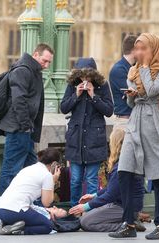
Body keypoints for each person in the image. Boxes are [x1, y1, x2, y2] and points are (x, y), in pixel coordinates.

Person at [108, 33, 159, 240]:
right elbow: (135, 101)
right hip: (135, 122)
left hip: (155, 125)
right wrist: (131, 96)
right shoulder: (134, 70)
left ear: (153, 50)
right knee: (124, 171)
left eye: (143, 49)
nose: (139, 53)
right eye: (137, 49)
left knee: (158, 176)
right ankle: (128, 222)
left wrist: (146, 67)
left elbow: (151, 90)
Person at [0, 43, 54, 195]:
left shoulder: (34, 71)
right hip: (18, 129)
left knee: (32, 170)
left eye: (49, 62)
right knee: (10, 171)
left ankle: (31, 205)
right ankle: (3, 208)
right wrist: (25, 126)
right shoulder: (22, 70)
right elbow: (18, 100)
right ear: (35, 55)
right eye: (44, 60)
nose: (46, 65)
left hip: (26, 130)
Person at [68, 127, 145, 233]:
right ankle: (128, 222)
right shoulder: (125, 161)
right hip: (122, 204)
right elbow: (113, 188)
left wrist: (85, 207)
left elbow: (110, 195)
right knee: (86, 217)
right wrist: (94, 195)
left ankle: (128, 225)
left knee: (86, 222)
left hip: (125, 207)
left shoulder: (122, 166)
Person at [60, 58, 114, 206]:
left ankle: (91, 209)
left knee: (91, 179)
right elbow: (64, 107)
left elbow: (109, 110)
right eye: (81, 76)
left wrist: (93, 96)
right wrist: (76, 95)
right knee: (75, 179)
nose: (84, 79)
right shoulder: (72, 86)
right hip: (76, 140)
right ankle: (74, 209)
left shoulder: (102, 86)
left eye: (87, 76)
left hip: (94, 140)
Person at [0, 148, 62, 235]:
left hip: (1, 210)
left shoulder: (28, 169)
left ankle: (6, 225)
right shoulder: (47, 175)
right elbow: (47, 202)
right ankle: (19, 231)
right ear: (54, 164)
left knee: (31, 216)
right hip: (16, 211)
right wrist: (53, 181)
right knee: (48, 226)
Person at [109, 35, 138, 126]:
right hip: (124, 121)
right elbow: (133, 94)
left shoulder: (131, 67)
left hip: (132, 118)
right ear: (134, 50)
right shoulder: (119, 69)